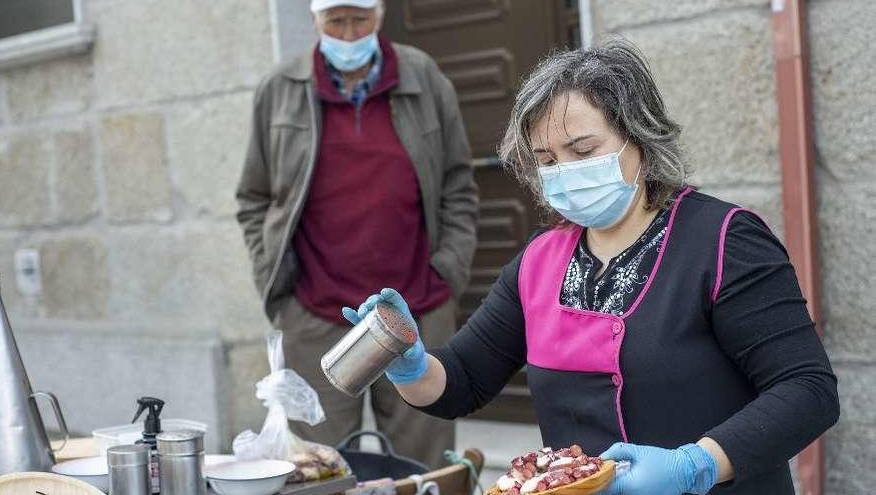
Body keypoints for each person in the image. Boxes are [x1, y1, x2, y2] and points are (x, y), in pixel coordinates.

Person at [343, 39, 839, 494]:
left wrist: (695, 465)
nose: (566, 171)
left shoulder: (724, 241)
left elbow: (807, 389)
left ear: (639, 140)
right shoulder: (539, 263)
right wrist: (407, 360)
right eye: (547, 160)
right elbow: (462, 382)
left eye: (582, 150)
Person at [235, 0, 478, 468]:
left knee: (423, 466)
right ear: (314, 20)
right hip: (316, 313)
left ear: (380, 15)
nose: (348, 34)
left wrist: (448, 272)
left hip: (417, 309)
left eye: (359, 19)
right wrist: (277, 281)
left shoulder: (423, 76)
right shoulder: (278, 88)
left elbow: (458, 184)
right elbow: (253, 197)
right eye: (336, 21)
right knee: (319, 467)